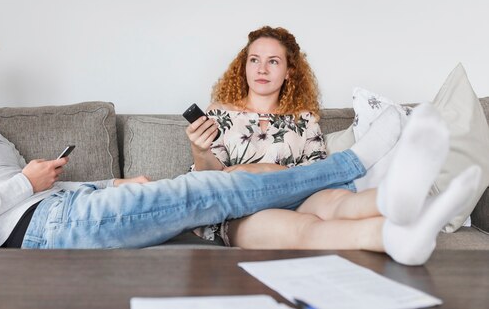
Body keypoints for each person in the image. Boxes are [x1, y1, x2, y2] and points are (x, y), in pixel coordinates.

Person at [0, 15, 386, 253]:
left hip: (59, 211)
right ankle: (356, 164)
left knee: (203, 192)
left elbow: (22, 194)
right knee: (206, 187)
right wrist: (26, 182)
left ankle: (363, 191)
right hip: (47, 226)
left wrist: (111, 185)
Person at [186, 26, 480, 265]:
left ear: (289, 71)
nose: (262, 68)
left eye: (273, 61)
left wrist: (276, 172)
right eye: (254, 59)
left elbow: (317, 173)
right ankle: (392, 236)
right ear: (244, 66)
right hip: (241, 210)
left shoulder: (304, 119)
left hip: (297, 194)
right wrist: (201, 152)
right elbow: (211, 180)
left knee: (337, 201)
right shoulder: (220, 114)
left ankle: (408, 200)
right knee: (305, 227)